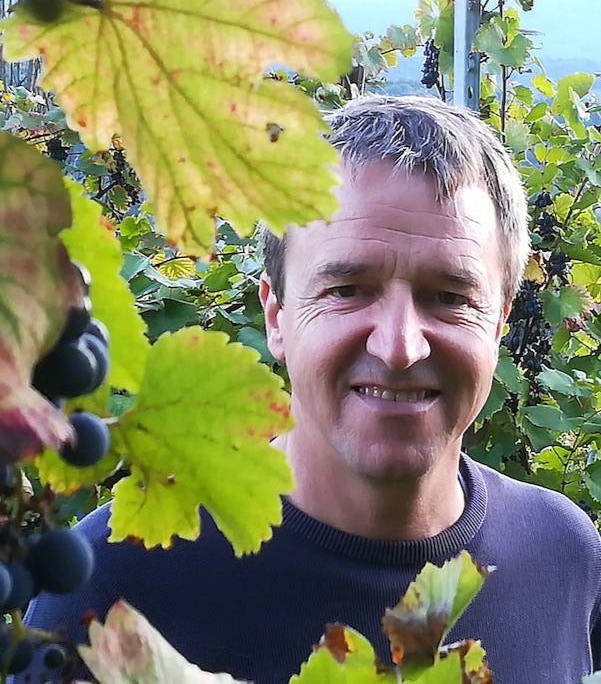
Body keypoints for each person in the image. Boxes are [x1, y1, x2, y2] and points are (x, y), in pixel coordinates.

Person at [16, 96, 601, 684]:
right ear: (276, 316)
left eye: (450, 298)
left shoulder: (563, 556)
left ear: (499, 324)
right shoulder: (114, 585)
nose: (399, 347)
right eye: (347, 288)